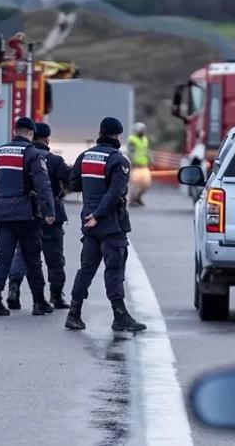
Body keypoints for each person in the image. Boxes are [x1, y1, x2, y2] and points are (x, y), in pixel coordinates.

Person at [65, 117, 147, 332]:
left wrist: (91, 210)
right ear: (117, 135)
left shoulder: (85, 156)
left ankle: (74, 313)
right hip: (110, 223)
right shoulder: (117, 160)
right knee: (114, 268)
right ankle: (120, 316)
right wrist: (99, 214)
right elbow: (115, 192)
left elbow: (73, 184)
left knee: (87, 268)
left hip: (88, 221)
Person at [0, 117, 56, 317]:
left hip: (2, 213)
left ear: (15, 131)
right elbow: (43, 184)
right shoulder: (32, 154)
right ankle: (39, 301)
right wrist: (49, 211)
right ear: (31, 134)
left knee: (4, 256)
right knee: (32, 258)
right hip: (25, 214)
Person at [6, 122, 72, 310]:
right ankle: (56, 296)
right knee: (55, 257)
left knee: (23, 254)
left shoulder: (23, 157)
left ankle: (14, 288)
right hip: (52, 214)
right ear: (47, 138)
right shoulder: (54, 161)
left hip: (26, 212)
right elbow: (72, 180)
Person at [127, 122, 151, 206]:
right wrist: (131, 163)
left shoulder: (145, 139)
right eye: (141, 130)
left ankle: (138, 197)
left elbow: (146, 151)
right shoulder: (132, 139)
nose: (143, 131)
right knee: (135, 185)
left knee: (146, 184)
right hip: (136, 166)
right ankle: (132, 200)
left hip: (144, 166)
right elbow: (130, 152)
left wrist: (150, 160)